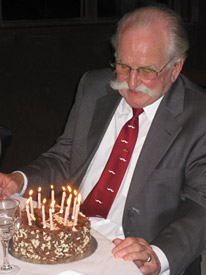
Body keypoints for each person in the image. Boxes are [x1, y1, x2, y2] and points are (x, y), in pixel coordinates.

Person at [0, 4, 206, 275]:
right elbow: (64, 158)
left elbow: (200, 204)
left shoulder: (199, 116)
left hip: (135, 251)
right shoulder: (94, 87)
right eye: (123, 65)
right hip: (71, 235)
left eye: (146, 70)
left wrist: (157, 255)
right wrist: (18, 179)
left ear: (175, 67)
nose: (131, 82)